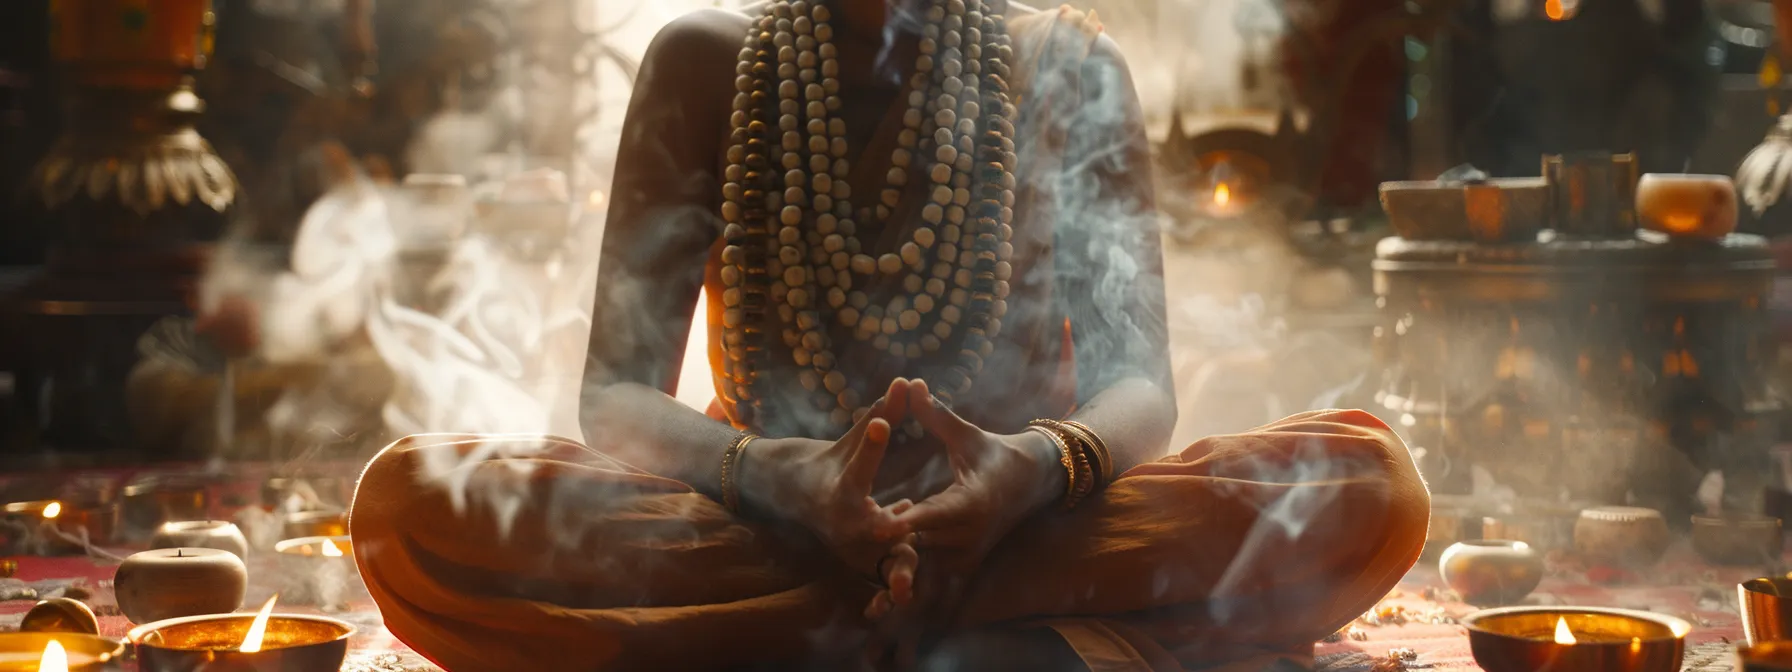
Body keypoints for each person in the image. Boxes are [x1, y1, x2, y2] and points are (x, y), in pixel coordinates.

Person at [347, 1, 1430, 670]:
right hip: (765, 515)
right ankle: (947, 624)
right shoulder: (702, 60)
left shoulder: (1065, 64)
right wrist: (783, 482)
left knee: (1367, 485)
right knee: (408, 512)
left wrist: (1026, 475)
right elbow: (617, 400)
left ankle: (828, 623)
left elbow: (1138, 389)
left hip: (1025, 520)